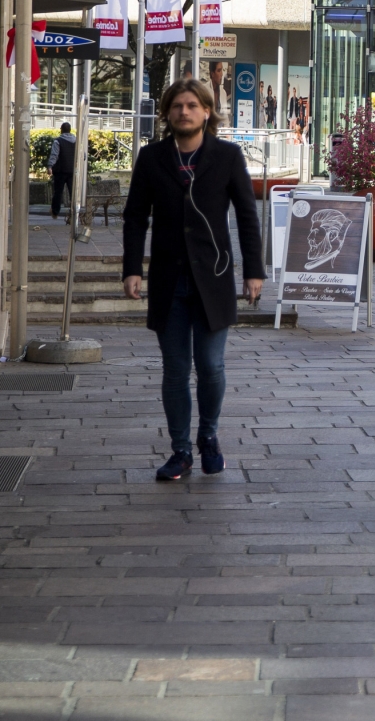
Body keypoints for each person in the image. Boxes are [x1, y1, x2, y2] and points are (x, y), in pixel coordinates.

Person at [121, 79, 263, 483]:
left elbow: (248, 217)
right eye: (177, 106)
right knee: (175, 368)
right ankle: (180, 450)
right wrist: (133, 268)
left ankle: (209, 436)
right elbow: (135, 217)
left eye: (192, 105)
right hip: (169, 281)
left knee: (211, 366)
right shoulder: (151, 158)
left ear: (206, 111)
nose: (184, 112)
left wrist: (254, 271)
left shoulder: (227, 157)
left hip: (213, 279)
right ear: (167, 113)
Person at [50, 122, 78, 219]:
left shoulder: (57, 141)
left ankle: (55, 212)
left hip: (60, 171)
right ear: (70, 130)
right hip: (72, 171)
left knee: (58, 192)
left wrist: (50, 166)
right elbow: (83, 156)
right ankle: (74, 212)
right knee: (73, 193)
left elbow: (54, 155)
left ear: (61, 129)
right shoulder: (76, 141)